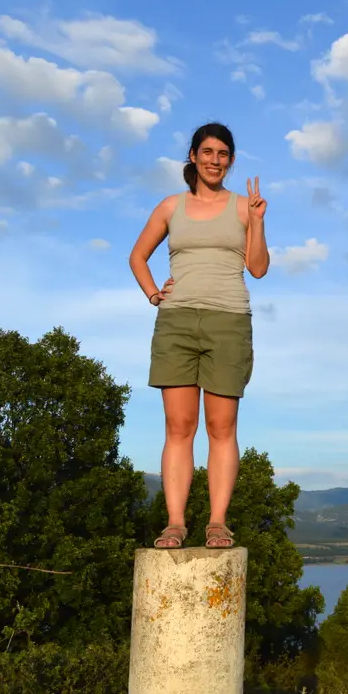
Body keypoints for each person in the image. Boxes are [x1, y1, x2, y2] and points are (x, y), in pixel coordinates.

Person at [128, 122, 269, 549]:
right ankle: (175, 523)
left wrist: (258, 222)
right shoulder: (171, 206)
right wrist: (154, 294)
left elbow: (258, 268)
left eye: (223, 154)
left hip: (229, 320)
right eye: (207, 152)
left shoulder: (245, 207)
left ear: (231, 161)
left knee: (221, 426)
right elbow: (137, 256)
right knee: (179, 425)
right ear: (193, 156)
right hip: (177, 322)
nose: (215, 160)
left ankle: (217, 523)